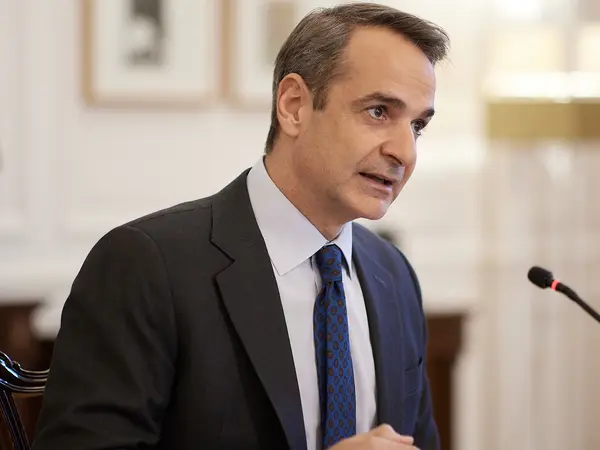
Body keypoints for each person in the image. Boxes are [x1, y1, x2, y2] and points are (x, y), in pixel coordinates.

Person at [32, 3, 449, 450]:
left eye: (417, 126)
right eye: (379, 112)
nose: (405, 152)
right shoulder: (145, 266)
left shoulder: (394, 275)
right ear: (294, 106)